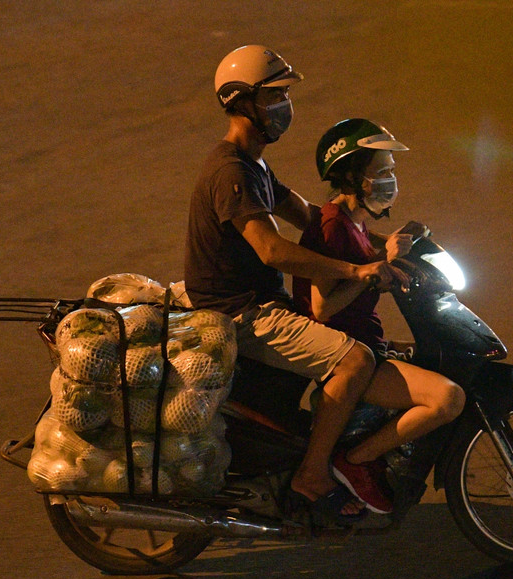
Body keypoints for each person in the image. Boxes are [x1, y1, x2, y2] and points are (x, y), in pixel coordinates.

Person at [183, 46, 406, 525]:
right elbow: (272, 250)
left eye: (285, 95)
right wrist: (354, 271)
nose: (285, 106)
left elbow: (308, 216)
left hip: (261, 301)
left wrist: (382, 245)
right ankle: (313, 474)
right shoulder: (231, 172)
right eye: (275, 96)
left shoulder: (255, 165)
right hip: (241, 313)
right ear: (242, 102)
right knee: (355, 360)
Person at [292, 118, 466, 514]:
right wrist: (376, 268)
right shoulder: (332, 226)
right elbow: (322, 307)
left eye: (391, 171)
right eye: (380, 172)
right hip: (349, 357)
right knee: (448, 398)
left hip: (371, 345)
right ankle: (355, 461)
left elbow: (368, 259)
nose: (390, 181)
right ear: (352, 176)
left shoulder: (355, 222)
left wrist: (401, 245)